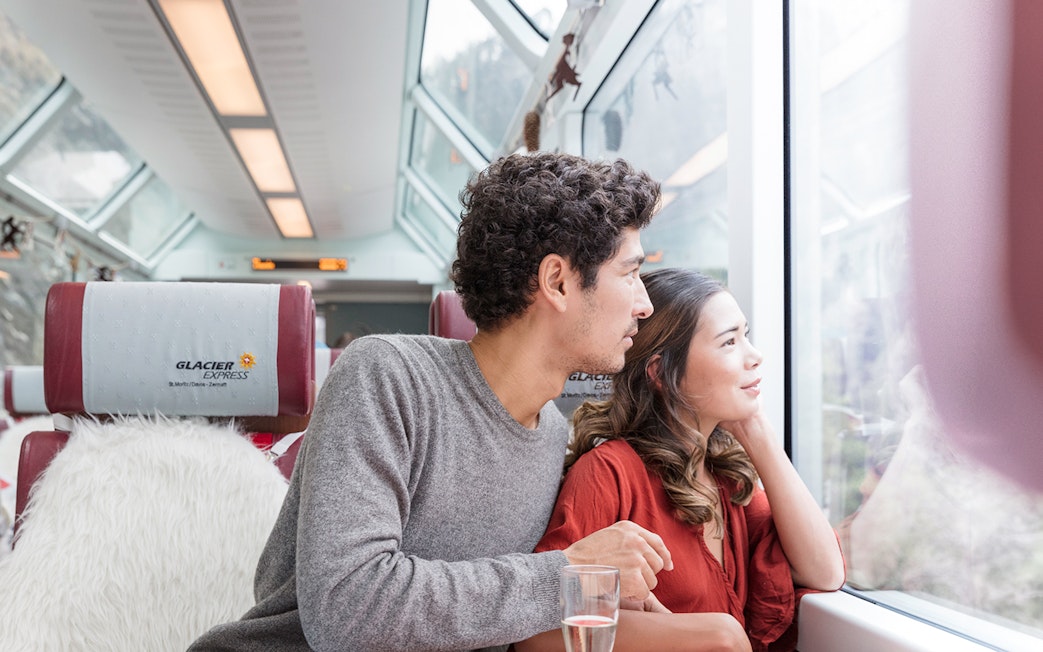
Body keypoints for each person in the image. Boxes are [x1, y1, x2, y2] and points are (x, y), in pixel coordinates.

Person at [188, 152, 674, 652]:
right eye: (630, 273)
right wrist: (569, 575)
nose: (645, 304)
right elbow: (349, 612)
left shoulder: (554, 435)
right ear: (557, 282)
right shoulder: (386, 376)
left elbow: (494, 614)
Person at [516, 268, 845, 652]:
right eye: (729, 343)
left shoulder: (726, 481)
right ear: (661, 372)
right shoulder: (608, 473)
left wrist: (758, 432)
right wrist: (710, 636)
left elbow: (824, 571)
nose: (754, 357)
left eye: (747, 336)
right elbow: (536, 635)